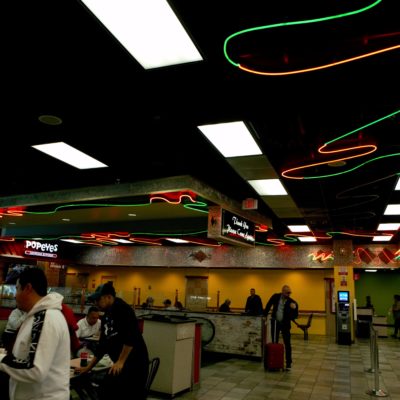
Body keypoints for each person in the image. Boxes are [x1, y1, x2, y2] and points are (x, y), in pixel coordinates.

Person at [0, 267, 70, 400]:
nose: (15, 295)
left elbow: (35, 370)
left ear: (28, 288)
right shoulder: (37, 316)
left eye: (17, 289)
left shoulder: (45, 318)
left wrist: (2, 360)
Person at [76, 282, 149, 399]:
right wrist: (88, 367)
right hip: (121, 365)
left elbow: (131, 336)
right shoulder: (106, 316)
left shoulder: (123, 309)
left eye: (98, 299)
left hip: (134, 365)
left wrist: (120, 361)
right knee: (104, 392)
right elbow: (102, 345)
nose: (96, 303)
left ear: (109, 297)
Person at [264, 285, 298, 371]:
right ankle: (274, 362)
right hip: (275, 323)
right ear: (282, 291)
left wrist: (294, 308)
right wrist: (264, 315)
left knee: (287, 343)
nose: (289, 294)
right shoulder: (275, 296)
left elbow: (295, 314)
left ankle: (288, 363)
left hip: (285, 324)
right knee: (274, 342)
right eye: (287, 293)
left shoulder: (291, 301)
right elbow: (268, 305)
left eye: (290, 293)